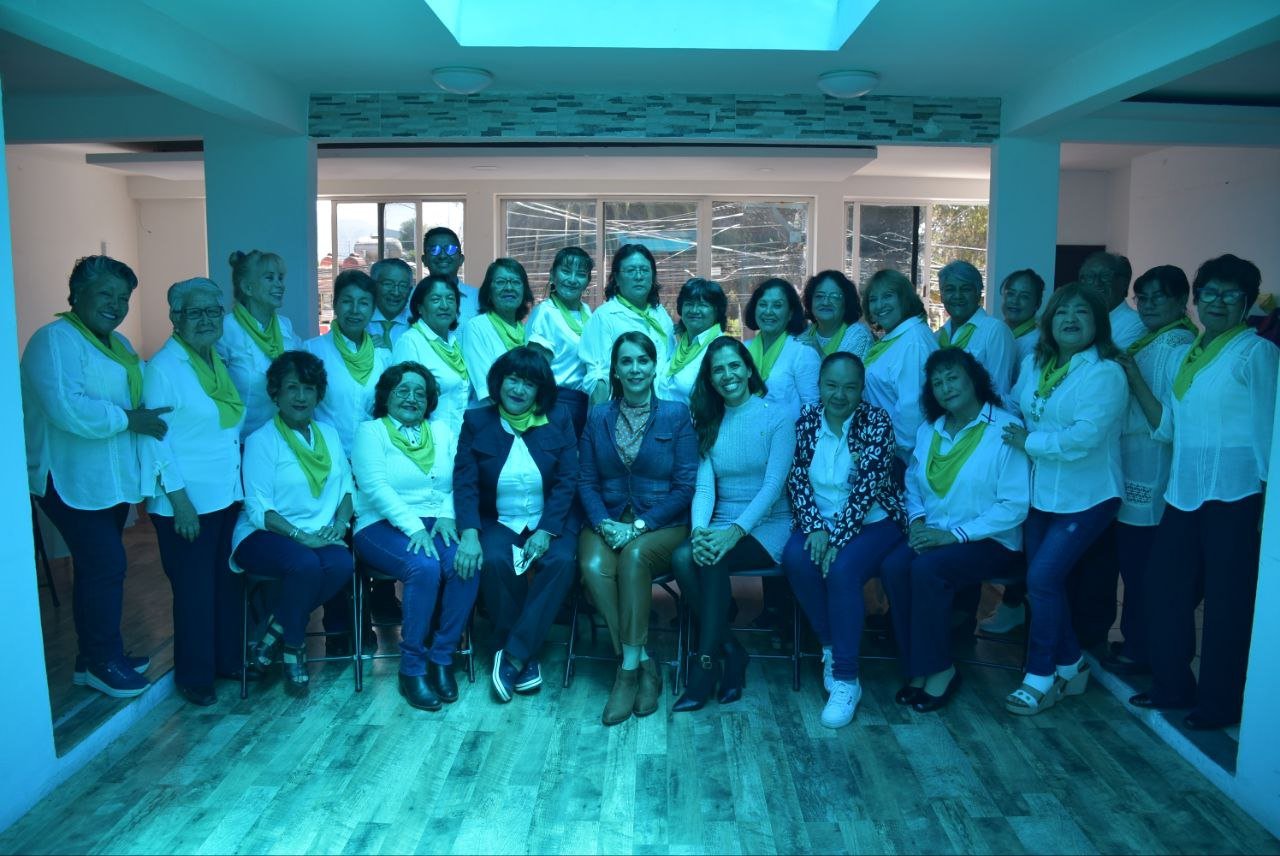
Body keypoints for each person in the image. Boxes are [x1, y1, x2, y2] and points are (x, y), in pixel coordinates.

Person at [1124, 254, 1277, 730]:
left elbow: (1269, 433)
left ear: (1247, 302)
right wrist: (1133, 377)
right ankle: (1172, 686)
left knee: (1227, 605)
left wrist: (1268, 503)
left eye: (1231, 295)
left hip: (1237, 496)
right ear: (1197, 299)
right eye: (1209, 293)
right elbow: (1169, 427)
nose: (1218, 302)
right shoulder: (1193, 351)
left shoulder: (1255, 352)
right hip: (1184, 494)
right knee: (1163, 588)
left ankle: (1219, 703)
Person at [22, 256, 166, 698]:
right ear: (76, 294)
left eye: (124, 298)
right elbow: (67, 409)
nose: (116, 305)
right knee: (106, 565)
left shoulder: (117, 343)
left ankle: (92, 658)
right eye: (106, 294)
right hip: (68, 479)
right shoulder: (53, 341)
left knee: (94, 568)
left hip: (108, 482)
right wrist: (129, 420)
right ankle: (104, 661)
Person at [879, 349, 1029, 714]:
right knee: (893, 567)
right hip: (935, 532)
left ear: (974, 379)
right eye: (938, 382)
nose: (946, 387)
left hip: (990, 539)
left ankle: (941, 668)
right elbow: (913, 484)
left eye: (953, 377)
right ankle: (917, 666)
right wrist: (917, 521)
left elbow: (1014, 505)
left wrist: (955, 535)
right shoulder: (930, 430)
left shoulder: (1004, 429)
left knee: (928, 570)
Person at [1000, 283, 1127, 715]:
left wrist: (1029, 442)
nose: (1070, 319)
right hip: (1041, 495)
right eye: (1062, 312)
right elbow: (1015, 405)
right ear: (1049, 322)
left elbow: (1084, 438)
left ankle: (1040, 675)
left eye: (1082, 312)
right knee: (1043, 582)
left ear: (1098, 323)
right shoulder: (1036, 362)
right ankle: (1072, 663)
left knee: (1041, 580)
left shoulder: (1105, 373)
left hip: (1088, 496)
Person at [578, 332, 698, 725]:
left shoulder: (676, 414)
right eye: (626, 361)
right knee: (593, 566)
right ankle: (643, 662)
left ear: (653, 366)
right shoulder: (598, 416)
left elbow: (685, 487)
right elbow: (586, 481)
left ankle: (626, 674)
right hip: (608, 517)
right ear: (615, 369)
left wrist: (640, 525)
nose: (634, 369)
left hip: (662, 521)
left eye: (642, 360)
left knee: (633, 557)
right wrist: (603, 522)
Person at [671, 337, 796, 712]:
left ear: (748, 369)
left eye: (734, 366)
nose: (727, 375)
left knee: (714, 558)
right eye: (718, 370)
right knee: (683, 557)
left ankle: (706, 665)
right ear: (710, 379)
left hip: (769, 525)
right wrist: (699, 531)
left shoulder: (778, 418)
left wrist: (733, 533)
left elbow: (773, 488)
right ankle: (732, 650)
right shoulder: (708, 421)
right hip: (722, 522)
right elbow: (704, 488)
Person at [781, 352, 906, 728]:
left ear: (861, 389)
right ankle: (831, 650)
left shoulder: (877, 422)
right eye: (832, 385)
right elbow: (796, 477)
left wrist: (836, 540)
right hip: (819, 521)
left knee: (842, 570)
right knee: (796, 559)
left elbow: (866, 490)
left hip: (874, 522)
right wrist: (815, 528)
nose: (840, 395)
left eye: (850, 387)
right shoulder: (806, 419)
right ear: (819, 385)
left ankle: (847, 680)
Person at [453, 347, 580, 703]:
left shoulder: (559, 418)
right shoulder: (476, 421)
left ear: (540, 390)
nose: (519, 389)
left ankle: (512, 655)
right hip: (499, 518)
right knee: (494, 560)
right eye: (513, 379)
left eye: (529, 383)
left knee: (560, 561)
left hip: (550, 518)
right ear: (499, 381)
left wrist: (546, 530)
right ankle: (522, 652)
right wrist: (469, 533)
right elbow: (465, 482)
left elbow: (568, 480)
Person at [141, 278, 245, 706]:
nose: (205, 320)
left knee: (224, 583)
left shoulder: (214, 360)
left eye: (212, 311)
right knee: (193, 591)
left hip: (223, 495)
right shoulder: (163, 369)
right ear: (175, 318)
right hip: (185, 504)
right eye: (194, 312)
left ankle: (226, 660)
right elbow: (155, 441)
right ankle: (195, 674)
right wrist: (180, 501)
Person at [352, 362, 478, 712]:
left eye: (420, 393)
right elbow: (375, 487)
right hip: (379, 524)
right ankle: (411, 667)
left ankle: (442, 657)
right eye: (403, 390)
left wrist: (448, 514)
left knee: (467, 562)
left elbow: (461, 477)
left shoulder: (441, 430)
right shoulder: (370, 432)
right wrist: (414, 527)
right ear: (386, 396)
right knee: (423, 567)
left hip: (437, 521)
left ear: (429, 400)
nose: (412, 398)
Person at [231, 351, 355, 695]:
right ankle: (293, 649)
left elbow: (347, 488)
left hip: (318, 533)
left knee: (342, 563)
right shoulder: (261, 440)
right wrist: (303, 537)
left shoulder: (329, 434)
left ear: (319, 394)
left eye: (309, 388)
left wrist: (340, 523)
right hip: (263, 534)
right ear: (276, 393)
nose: (301, 397)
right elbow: (258, 508)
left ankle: (272, 632)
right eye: (292, 388)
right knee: (305, 565)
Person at [1096, 266, 1197, 676]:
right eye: (1144, 298)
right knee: (1132, 565)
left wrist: (1133, 376)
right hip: (1132, 462)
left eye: (1160, 297)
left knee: (1142, 569)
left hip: (1152, 470)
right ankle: (1136, 641)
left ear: (1181, 301)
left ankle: (1142, 649)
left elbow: (1167, 423)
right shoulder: (1151, 339)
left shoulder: (1178, 346)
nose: (1149, 305)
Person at [217, 249, 302, 439]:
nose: (279, 285)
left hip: (281, 438)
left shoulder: (285, 326)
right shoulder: (225, 331)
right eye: (270, 278)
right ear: (248, 288)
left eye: (280, 278)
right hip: (239, 440)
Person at [304, 269, 391, 454]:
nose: (355, 310)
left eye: (363, 303)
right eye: (347, 301)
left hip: (371, 455)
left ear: (373, 309)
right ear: (335, 304)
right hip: (325, 455)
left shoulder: (382, 354)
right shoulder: (312, 351)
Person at [579, 244, 676, 404]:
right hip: (624, 409)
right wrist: (602, 417)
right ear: (616, 278)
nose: (639, 276)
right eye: (630, 271)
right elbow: (598, 376)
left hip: (663, 405)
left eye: (644, 270)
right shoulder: (604, 316)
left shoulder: (660, 313)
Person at [861, 269, 939, 462]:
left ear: (904, 298)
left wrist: (891, 454)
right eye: (873, 299)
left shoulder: (913, 341)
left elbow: (912, 411)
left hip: (900, 456)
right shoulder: (896, 337)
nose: (880, 305)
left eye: (888, 296)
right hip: (882, 446)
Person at [527, 247, 594, 435]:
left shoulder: (587, 312)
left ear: (588, 281)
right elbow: (535, 373)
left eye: (580, 274)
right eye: (565, 271)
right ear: (552, 275)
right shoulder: (545, 313)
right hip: (554, 403)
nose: (572, 279)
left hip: (585, 403)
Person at [393, 274, 471, 436]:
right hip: (429, 442)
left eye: (450, 299)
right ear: (420, 307)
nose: (444, 306)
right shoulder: (410, 342)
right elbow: (403, 403)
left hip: (459, 440)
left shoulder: (454, 344)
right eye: (436, 299)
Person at [935, 260, 1017, 399]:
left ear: (979, 293)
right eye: (950, 289)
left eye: (965, 289)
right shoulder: (937, 336)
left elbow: (999, 392)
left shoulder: (995, 331)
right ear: (942, 295)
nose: (957, 296)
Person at [743, 278, 821, 422]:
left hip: (788, 434)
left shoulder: (803, 352)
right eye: (763, 304)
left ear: (790, 313)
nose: (768, 311)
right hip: (745, 430)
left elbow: (811, 408)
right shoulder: (743, 349)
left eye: (777, 305)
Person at [461, 258, 535, 403]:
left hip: (529, 412)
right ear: (489, 291)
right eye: (501, 282)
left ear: (524, 291)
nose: (509, 288)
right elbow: (487, 390)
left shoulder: (528, 331)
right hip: (494, 413)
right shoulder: (477, 327)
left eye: (516, 282)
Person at [655, 277, 727, 405]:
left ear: (717, 311)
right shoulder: (681, 344)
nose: (694, 310)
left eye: (703, 305)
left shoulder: (721, 349)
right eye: (689, 304)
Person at [800, 270, 874, 361]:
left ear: (846, 302)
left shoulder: (858, 335)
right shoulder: (805, 332)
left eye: (834, 296)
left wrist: (820, 354)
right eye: (819, 296)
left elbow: (848, 370)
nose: (825, 302)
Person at [1079, 251, 1145, 349]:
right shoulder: (1077, 320)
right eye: (1090, 276)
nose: (1097, 283)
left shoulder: (1137, 324)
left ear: (1124, 283)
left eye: (1105, 276)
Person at [423, 226, 480, 325]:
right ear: (424, 260)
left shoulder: (479, 298)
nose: (442, 256)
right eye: (434, 250)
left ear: (461, 259)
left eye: (451, 249)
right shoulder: (409, 298)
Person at [1000, 268, 1046, 374]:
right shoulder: (997, 330)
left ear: (1037, 304)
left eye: (1024, 296)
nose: (1015, 301)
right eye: (1010, 294)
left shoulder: (1036, 343)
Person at [370, 258, 415, 349]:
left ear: (410, 290)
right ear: (373, 285)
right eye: (388, 284)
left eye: (403, 286)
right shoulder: (359, 321)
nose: (396, 292)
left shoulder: (417, 323)